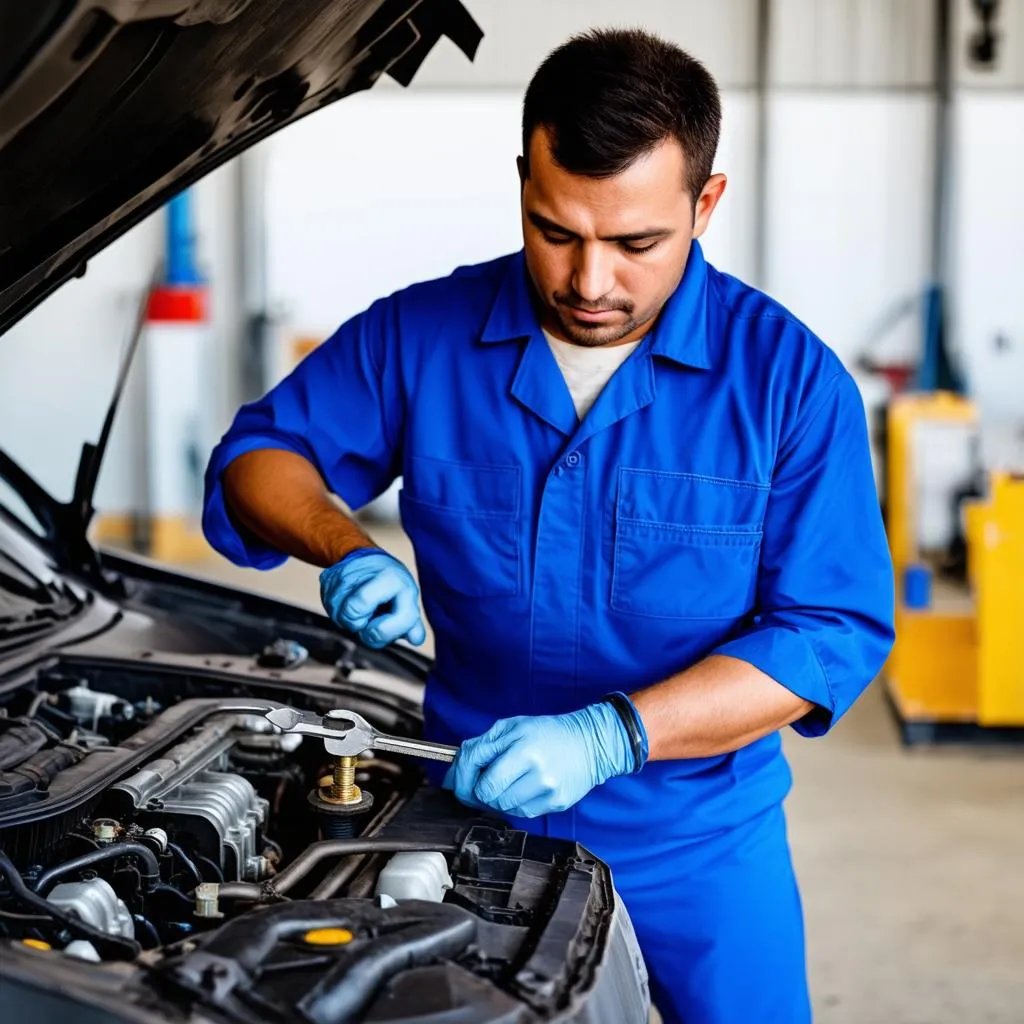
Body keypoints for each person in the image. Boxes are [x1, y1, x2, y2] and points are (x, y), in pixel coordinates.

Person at [202, 28, 895, 1024]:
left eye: (635, 242)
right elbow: (263, 458)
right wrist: (343, 544)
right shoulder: (424, 334)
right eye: (555, 229)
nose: (588, 280)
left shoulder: (786, 382)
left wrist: (614, 734)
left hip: (696, 843)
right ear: (524, 179)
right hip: (466, 815)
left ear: (705, 203)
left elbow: (826, 632)